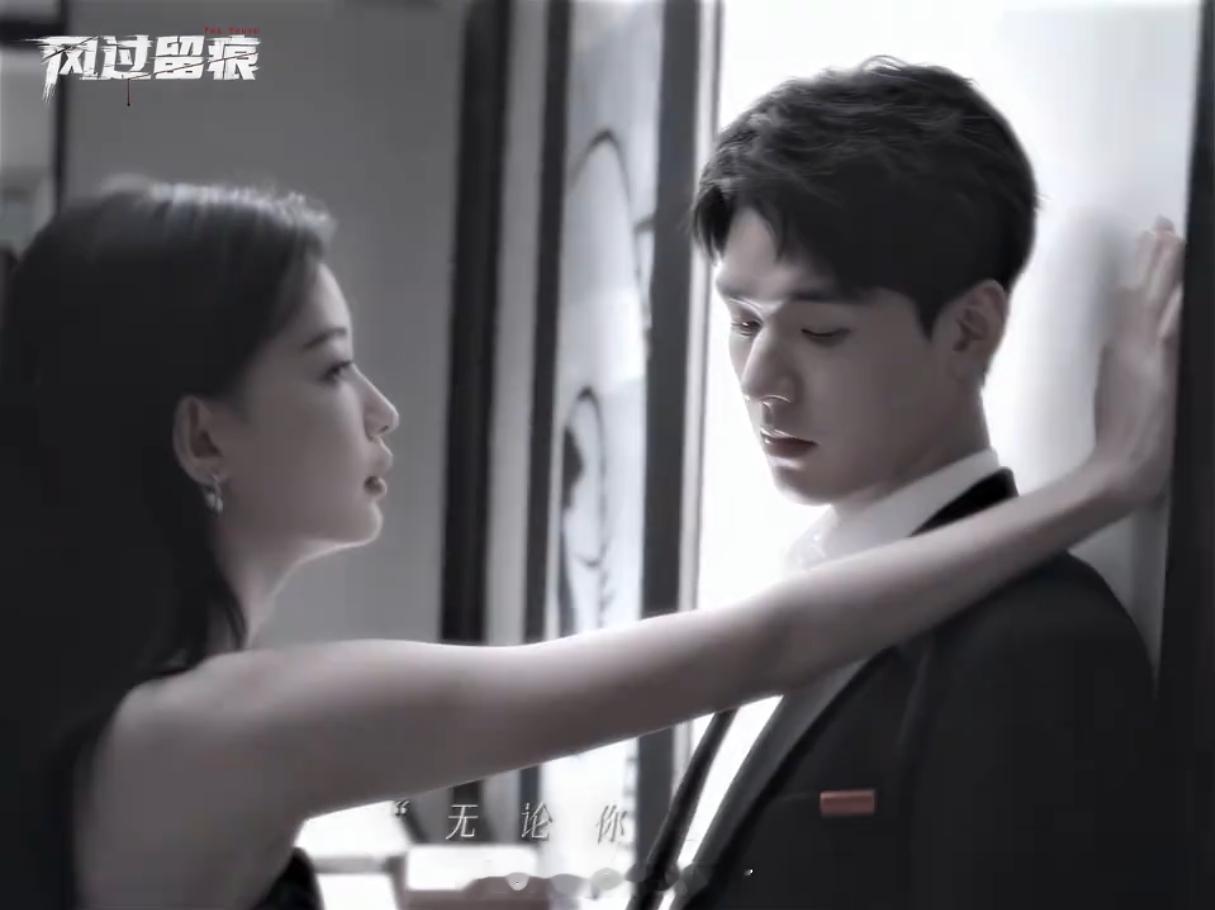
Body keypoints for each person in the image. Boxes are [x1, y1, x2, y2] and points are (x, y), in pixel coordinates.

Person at [1, 175, 1181, 910]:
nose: (381, 409)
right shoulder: (214, 725)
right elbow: (766, 642)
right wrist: (1102, 483)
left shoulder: (156, 720)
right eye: (331, 368)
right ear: (203, 436)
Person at [632, 58, 1171, 910]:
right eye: (742, 321)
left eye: (819, 330)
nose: (759, 378)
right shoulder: (799, 581)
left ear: (968, 329)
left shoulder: (1032, 646)